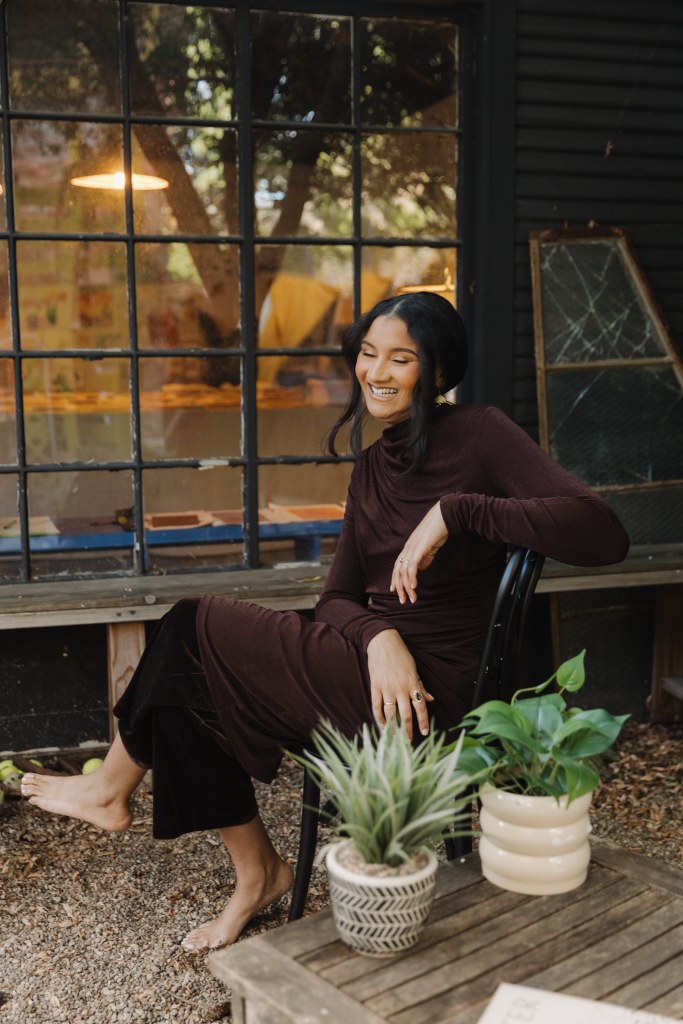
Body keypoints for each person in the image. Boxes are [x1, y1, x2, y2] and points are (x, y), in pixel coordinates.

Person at [21, 292, 630, 951]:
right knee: (188, 668)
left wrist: (458, 512)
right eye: (368, 354)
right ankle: (255, 874)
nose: (376, 372)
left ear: (435, 370)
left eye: (400, 358)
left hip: (434, 702)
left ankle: (121, 794)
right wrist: (380, 638)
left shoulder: (479, 435)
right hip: (373, 673)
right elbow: (337, 599)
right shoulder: (371, 468)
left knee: (193, 626)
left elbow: (601, 533)